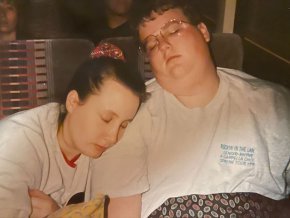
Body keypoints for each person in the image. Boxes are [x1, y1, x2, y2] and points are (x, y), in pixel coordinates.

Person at [90, 0, 290, 217]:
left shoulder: (273, 103)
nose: (164, 44)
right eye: (152, 44)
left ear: (203, 31)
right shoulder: (130, 116)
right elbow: (119, 210)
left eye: (174, 29)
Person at [0, 43, 147, 217]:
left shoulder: (105, 148)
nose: (113, 137)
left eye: (124, 125)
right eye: (106, 119)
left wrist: (57, 213)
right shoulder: (17, 142)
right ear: (73, 102)